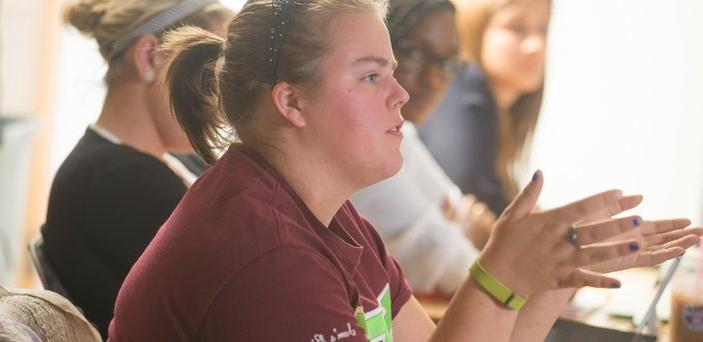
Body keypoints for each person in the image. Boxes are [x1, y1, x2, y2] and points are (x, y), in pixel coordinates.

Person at [109, 0, 702, 341]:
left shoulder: (331, 217)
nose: (400, 94)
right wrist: (498, 277)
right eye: (371, 76)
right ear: (291, 103)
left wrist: (550, 276)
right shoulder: (266, 257)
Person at [42, 0, 233, 336]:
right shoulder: (114, 180)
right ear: (149, 58)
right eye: (207, 75)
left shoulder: (158, 162)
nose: (220, 98)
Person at [351, 0, 497, 295]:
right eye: (416, 53)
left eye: (446, 63)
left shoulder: (404, 133)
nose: (433, 79)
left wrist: (460, 228)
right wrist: (463, 232)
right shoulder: (359, 146)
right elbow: (455, 267)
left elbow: (458, 209)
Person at [419, 0, 550, 215]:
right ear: (474, 27)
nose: (537, 45)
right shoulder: (466, 87)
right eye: (516, 28)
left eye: (542, 29)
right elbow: (479, 200)